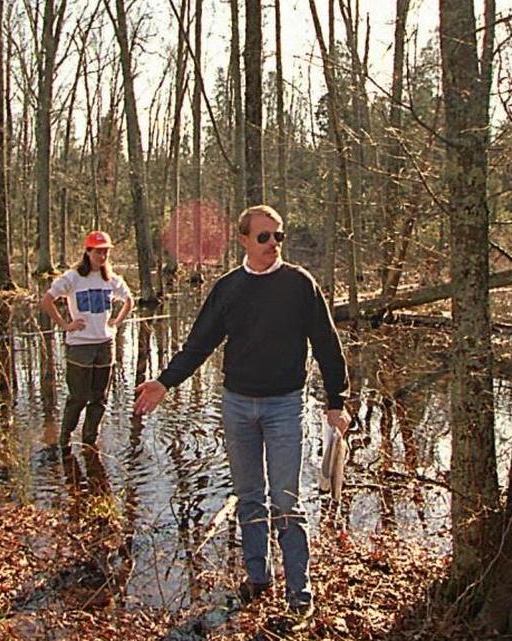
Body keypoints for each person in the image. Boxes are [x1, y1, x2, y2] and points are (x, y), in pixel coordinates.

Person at [134, 205, 350, 618]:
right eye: (264, 237)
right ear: (245, 241)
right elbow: (199, 344)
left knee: (286, 501)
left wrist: (337, 401)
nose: (273, 245)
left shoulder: (300, 285)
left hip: (286, 405)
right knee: (250, 497)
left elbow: (326, 343)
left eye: (278, 236)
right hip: (237, 406)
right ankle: (258, 577)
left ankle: (299, 594)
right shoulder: (229, 288)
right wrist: (165, 382)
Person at [41, 231, 134, 449]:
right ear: (88, 251)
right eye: (98, 251)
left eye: (105, 252)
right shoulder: (73, 277)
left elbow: (129, 301)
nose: (102, 256)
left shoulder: (111, 279)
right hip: (80, 346)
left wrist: (116, 322)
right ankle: (64, 440)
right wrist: (65, 325)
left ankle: (89, 441)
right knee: (78, 397)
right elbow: (47, 301)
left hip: (105, 345)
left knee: (99, 398)